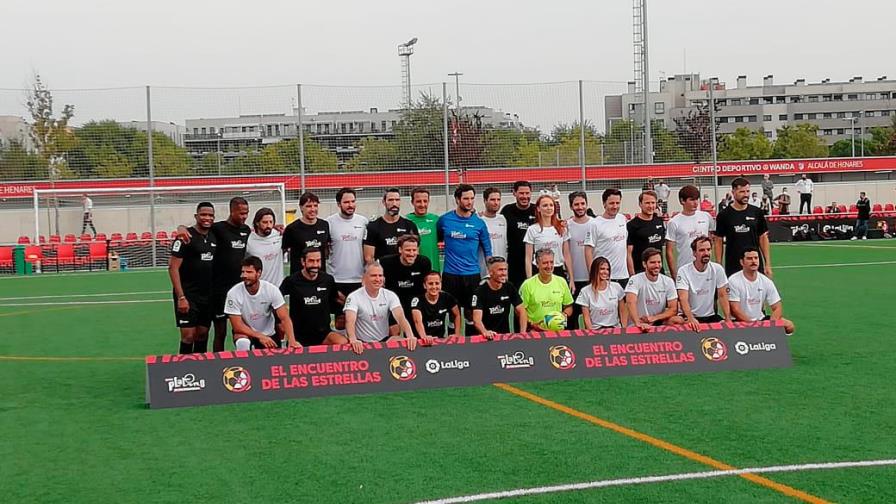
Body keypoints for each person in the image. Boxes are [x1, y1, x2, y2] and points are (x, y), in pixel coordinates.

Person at [175, 197, 251, 352]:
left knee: (241, 330)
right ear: (232, 211)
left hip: (240, 291)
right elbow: (196, 229)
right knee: (218, 333)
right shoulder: (218, 229)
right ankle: (192, 368)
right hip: (218, 292)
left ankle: (215, 365)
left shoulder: (246, 230)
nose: (244, 216)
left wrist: (276, 227)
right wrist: (181, 228)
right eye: (241, 213)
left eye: (246, 213)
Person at [438, 184, 492, 335]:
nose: (469, 202)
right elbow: (437, 238)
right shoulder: (444, 220)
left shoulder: (479, 223)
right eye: (466, 198)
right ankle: (450, 343)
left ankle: (471, 345)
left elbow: (488, 251)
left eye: (472, 198)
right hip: (450, 275)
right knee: (451, 313)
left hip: (472, 275)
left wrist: (490, 274)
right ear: (457, 199)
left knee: (471, 313)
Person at [168, 202, 217, 354]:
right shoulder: (185, 237)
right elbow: (173, 267)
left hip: (208, 296)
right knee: (188, 336)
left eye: (210, 215)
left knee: (202, 334)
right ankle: (184, 370)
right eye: (203, 214)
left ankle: (200, 370)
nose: (206, 218)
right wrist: (181, 296)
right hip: (188, 295)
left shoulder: (214, 235)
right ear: (196, 216)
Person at [279, 247, 347, 347]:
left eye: (318, 261)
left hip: (324, 334)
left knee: (343, 343)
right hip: (299, 336)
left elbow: (336, 301)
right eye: (311, 261)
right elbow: (277, 301)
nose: (315, 265)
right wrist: (280, 324)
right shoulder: (291, 281)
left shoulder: (328, 280)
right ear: (303, 261)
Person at [344, 262, 418, 354]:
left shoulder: (390, 295)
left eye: (380, 275)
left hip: (384, 341)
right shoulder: (354, 297)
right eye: (373, 275)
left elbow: (400, 317)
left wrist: (410, 335)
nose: (378, 279)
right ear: (364, 277)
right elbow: (349, 321)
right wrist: (353, 339)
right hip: (362, 343)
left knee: (402, 341)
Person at [225, 256, 296, 350]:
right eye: (243, 272)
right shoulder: (233, 293)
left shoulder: (271, 290)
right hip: (246, 332)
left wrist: (292, 340)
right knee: (242, 342)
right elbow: (237, 326)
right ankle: (243, 364)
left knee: (273, 358)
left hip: (268, 333)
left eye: (249, 272)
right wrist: (260, 336)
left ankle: (282, 346)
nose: (244, 275)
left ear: (259, 273)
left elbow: (284, 318)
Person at [326, 188, 369, 331]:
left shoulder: (363, 222)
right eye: (346, 202)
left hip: (359, 279)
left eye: (352, 201)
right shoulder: (329, 223)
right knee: (341, 320)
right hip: (337, 280)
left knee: (360, 318)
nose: (350, 205)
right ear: (339, 204)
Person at [728, 247, 795, 335]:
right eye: (749, 258)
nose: (753, 261)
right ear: (742, 262)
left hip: (760, 320)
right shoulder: (733, 280)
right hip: (740, 321)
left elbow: (777, 307)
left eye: (756, 258)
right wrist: (753, 325)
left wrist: (771, 324)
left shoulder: (765, 281)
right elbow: (735, 310)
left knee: (789, 326)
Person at [715, 177, 772, 278]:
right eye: (742, 191)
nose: (746, 195)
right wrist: (719, 265)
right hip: (733, 265)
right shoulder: (724, 215)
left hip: (754, 263)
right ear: (733, 192)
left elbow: (763, 237)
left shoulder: (756, 212)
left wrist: (767, 264)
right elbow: (718, 240)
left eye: (747, 191)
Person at [676, 236, 731, 331]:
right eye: (701, 250)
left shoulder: (717, 269)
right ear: (694, 253)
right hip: (690, 316)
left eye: (708, 249)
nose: (706, 253)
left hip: (710, 316)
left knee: (725, 328)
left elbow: (722, 295)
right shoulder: (684, 271)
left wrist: (727, 318)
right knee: (679, 323)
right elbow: (683, 298)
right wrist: (690, 318)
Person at [625, 248, 684, 331]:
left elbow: (673, 309)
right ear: (644, 264)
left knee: (678, 320)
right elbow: (630, 302)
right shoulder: (635, 280)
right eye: (653, 262)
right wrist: (638, 323)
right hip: (639, 322)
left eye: (659, 262)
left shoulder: (668, 281)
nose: (657, 265)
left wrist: (654, 318)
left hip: (657, 321)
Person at [665, 185, 715, 280]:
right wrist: (675, 276)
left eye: (697, 199)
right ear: (682, 201)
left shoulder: (706, 217)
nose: (695, 203)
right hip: (684, 271)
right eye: (692, 200)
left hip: (705, 270)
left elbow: (712, 238)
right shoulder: (674, 222)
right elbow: (669, 251)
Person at [524, 194, 573, 289]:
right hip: (539, 271)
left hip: (558, 270)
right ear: (538, 208)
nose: (549, 208)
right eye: (545, 205)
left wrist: (571, 279)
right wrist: (529, 280)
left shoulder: (561, 228)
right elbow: (528, 257)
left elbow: (567, 255)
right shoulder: (532, 229)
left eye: (551, 205)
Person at [472, 256, 528, 338]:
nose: (504, 273)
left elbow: (522, 311)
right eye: (500, 270)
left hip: (504, 337)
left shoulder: (509, 287)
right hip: (485, 338)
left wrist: (522, 333)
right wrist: (485, 332)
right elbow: (477, 320)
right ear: (490, 272)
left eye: (505, 269)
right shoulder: (479, 292)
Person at [380, 234, 432, 321]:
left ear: (418, 250)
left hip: (414, 303)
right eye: (408, 250)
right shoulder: (385, 262)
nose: (411, 254)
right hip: (393, 302)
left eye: (414, 250)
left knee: (414, 332)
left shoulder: (424, 262)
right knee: (394, 331)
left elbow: (427, 286)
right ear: (400, 249)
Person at [519, 249, 574, 331]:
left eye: (551, 262)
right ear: (537, 264)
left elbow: (569, 307)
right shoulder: (527, 285)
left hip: (557, 331)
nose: (549, 266)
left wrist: (562, 316)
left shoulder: (561, 281)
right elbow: (520, 311)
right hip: (535, 332)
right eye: (545, 263)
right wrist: (533, 325)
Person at [585, 188, 629, 288]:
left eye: (618, 203)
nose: (615, 206)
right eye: (611, 203)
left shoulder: (622, 219)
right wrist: (593, 275)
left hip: (623, 276)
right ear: (604, 204)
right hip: (604, 277)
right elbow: (588, 251)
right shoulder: (595, 224)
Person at [364, 188, 419, 263]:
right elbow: (369, 257)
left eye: (397, 200)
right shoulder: (373, 227)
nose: (394, 204)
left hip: (404, 273)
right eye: (390, 200)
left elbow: (415, 253)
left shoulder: (409, 226)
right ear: (384, 202)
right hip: (382, 273)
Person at [500, 181, 537, 292]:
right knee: (516, 298)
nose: (524, 196)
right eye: (521, 193)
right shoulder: (507, 211)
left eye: (527, 193)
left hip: (534, 263)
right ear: (514, 193)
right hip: (514, 264)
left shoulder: (537, 210)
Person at [282, 191, 330, 275]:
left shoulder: (324, 225)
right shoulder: (292, 228)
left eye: (315, 206)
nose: (312, 209)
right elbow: (283, 250)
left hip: (320, 277)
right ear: (301, 207)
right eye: (308, 206)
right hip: (298, 279)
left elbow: (327, 248)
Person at [566, 191, 594, 330]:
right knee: (573, 317)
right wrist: (571, 278)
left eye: (582, 203)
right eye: (576, 204)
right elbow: (567, 253)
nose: (580, 207)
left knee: (593, 315)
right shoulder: (567, 226)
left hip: (592, 279)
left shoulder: (594, 224)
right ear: (571, 206)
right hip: (575, 280)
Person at [575, 256, 627, 329]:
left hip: (615, 329)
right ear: (594, 270)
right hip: (596, 331)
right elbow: (586, 318)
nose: (605, 272)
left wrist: (623, 329)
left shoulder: (616, 287)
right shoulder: (585, 291)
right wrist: (592, 335)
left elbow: (623, 311)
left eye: (607, 269)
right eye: (602, 269)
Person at [410, 272, 462, 343]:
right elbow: (417, 321)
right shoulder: (417, 300)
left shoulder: (447, 297)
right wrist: (424, 337)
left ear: (441, 284)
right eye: (430, 284)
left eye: (437, 283)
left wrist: (457, 334)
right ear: (425, 285)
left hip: (440, 340)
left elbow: (457, 315)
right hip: (421, 341)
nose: (434, 287)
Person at [627, 190, 666, 275]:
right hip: (640, 272)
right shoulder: (632, 225)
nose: (651, 206)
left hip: (658, 272)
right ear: (640, 204)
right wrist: (632, 275)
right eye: (647, 203)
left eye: (653, 203)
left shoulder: (659, 221)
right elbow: (628, 254)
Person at [405, 187, 441, 271]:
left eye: (425, 201)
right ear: (412, 202)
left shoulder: (436, 220)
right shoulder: (406, 221)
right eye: (418, 201)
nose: (422, 204)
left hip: (433, 269)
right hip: (413, 270)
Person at [246, 207, 284, 287]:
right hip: (257, 287)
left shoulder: (278, 234)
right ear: (257, 223)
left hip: (277, 288)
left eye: (271, 222)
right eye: (265, 222)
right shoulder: (249, 239)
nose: (268, 225)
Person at [479, 187, 508, 277]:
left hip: (501, 271)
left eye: (498, 199)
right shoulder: (478, 220)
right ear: (485, 200)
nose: (496, 202)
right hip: (484, 271)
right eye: (492, 199)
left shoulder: (503, 219)